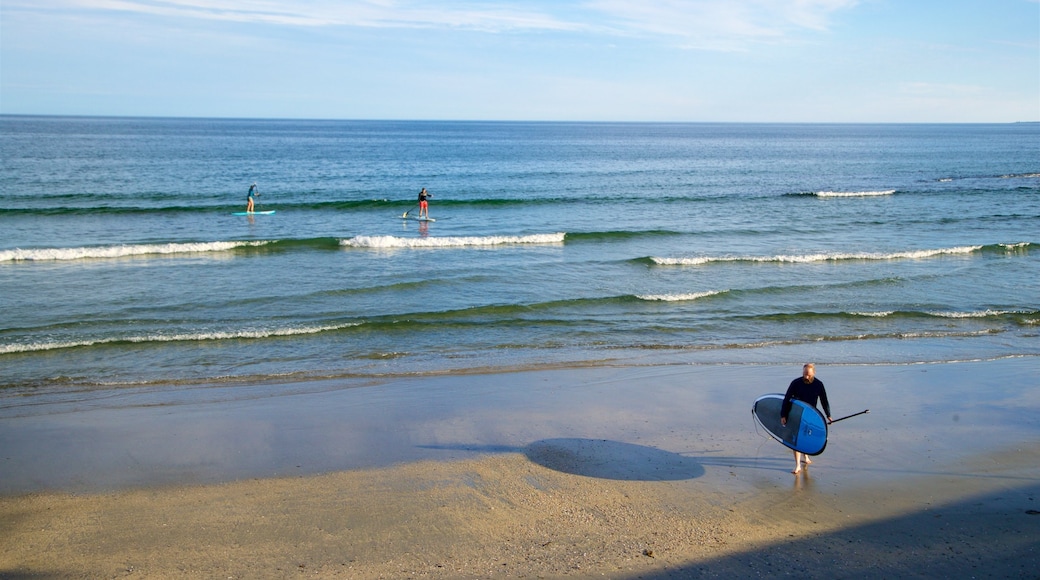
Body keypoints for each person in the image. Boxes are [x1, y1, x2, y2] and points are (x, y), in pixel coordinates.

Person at [780, 363, 832, 474]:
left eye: (808, 374)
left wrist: (828, 415)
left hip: (810, 415)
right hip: (796, 414)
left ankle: (806, 456)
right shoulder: (796, 383)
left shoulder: (819, 385)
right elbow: (786, 398)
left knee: (807, 435)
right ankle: (798, 465)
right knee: (796, 439)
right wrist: (783, 415)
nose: (806, 377)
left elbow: (824, 400)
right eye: (804, 374)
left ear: (814, 373)